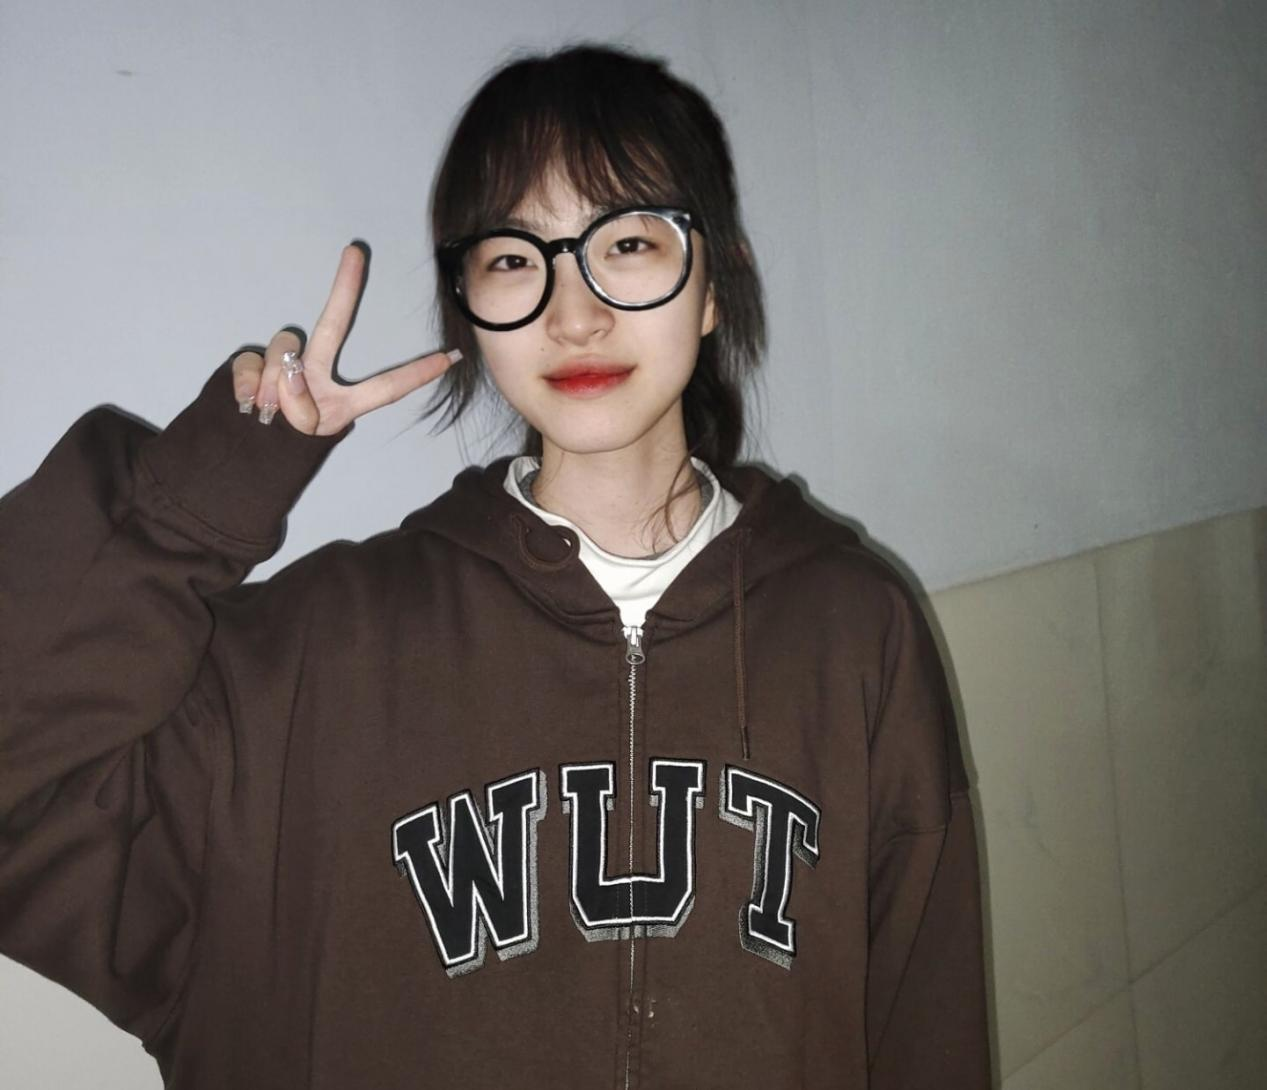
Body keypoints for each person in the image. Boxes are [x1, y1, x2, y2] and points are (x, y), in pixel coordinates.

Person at [0, 43, 990, 1089]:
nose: (575, 314)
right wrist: (206, 489)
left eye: (629, 242)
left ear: (714, 284)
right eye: (516, 259)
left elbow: (923, 1022)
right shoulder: (319, 652)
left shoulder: (851, 624)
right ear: (467, 308)